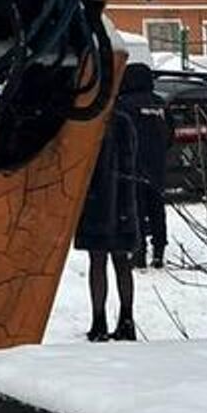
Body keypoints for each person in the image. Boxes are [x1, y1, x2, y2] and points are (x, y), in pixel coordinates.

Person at [76, 60, 149, 341]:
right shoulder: (124, 122)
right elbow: (134, 161)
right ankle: (127, 319)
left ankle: (98, 322)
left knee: (98, 262)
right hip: (124, 202)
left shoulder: (91, 125)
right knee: (122, 262)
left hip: (96, 202)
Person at [124, 64, 171, 269]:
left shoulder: (123, 104)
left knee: (136, 208)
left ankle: (139, 252)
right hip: (157, 165)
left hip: (132, 165)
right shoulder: (160, 104)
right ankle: (159, 251)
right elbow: (170, 134)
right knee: (157, 209)